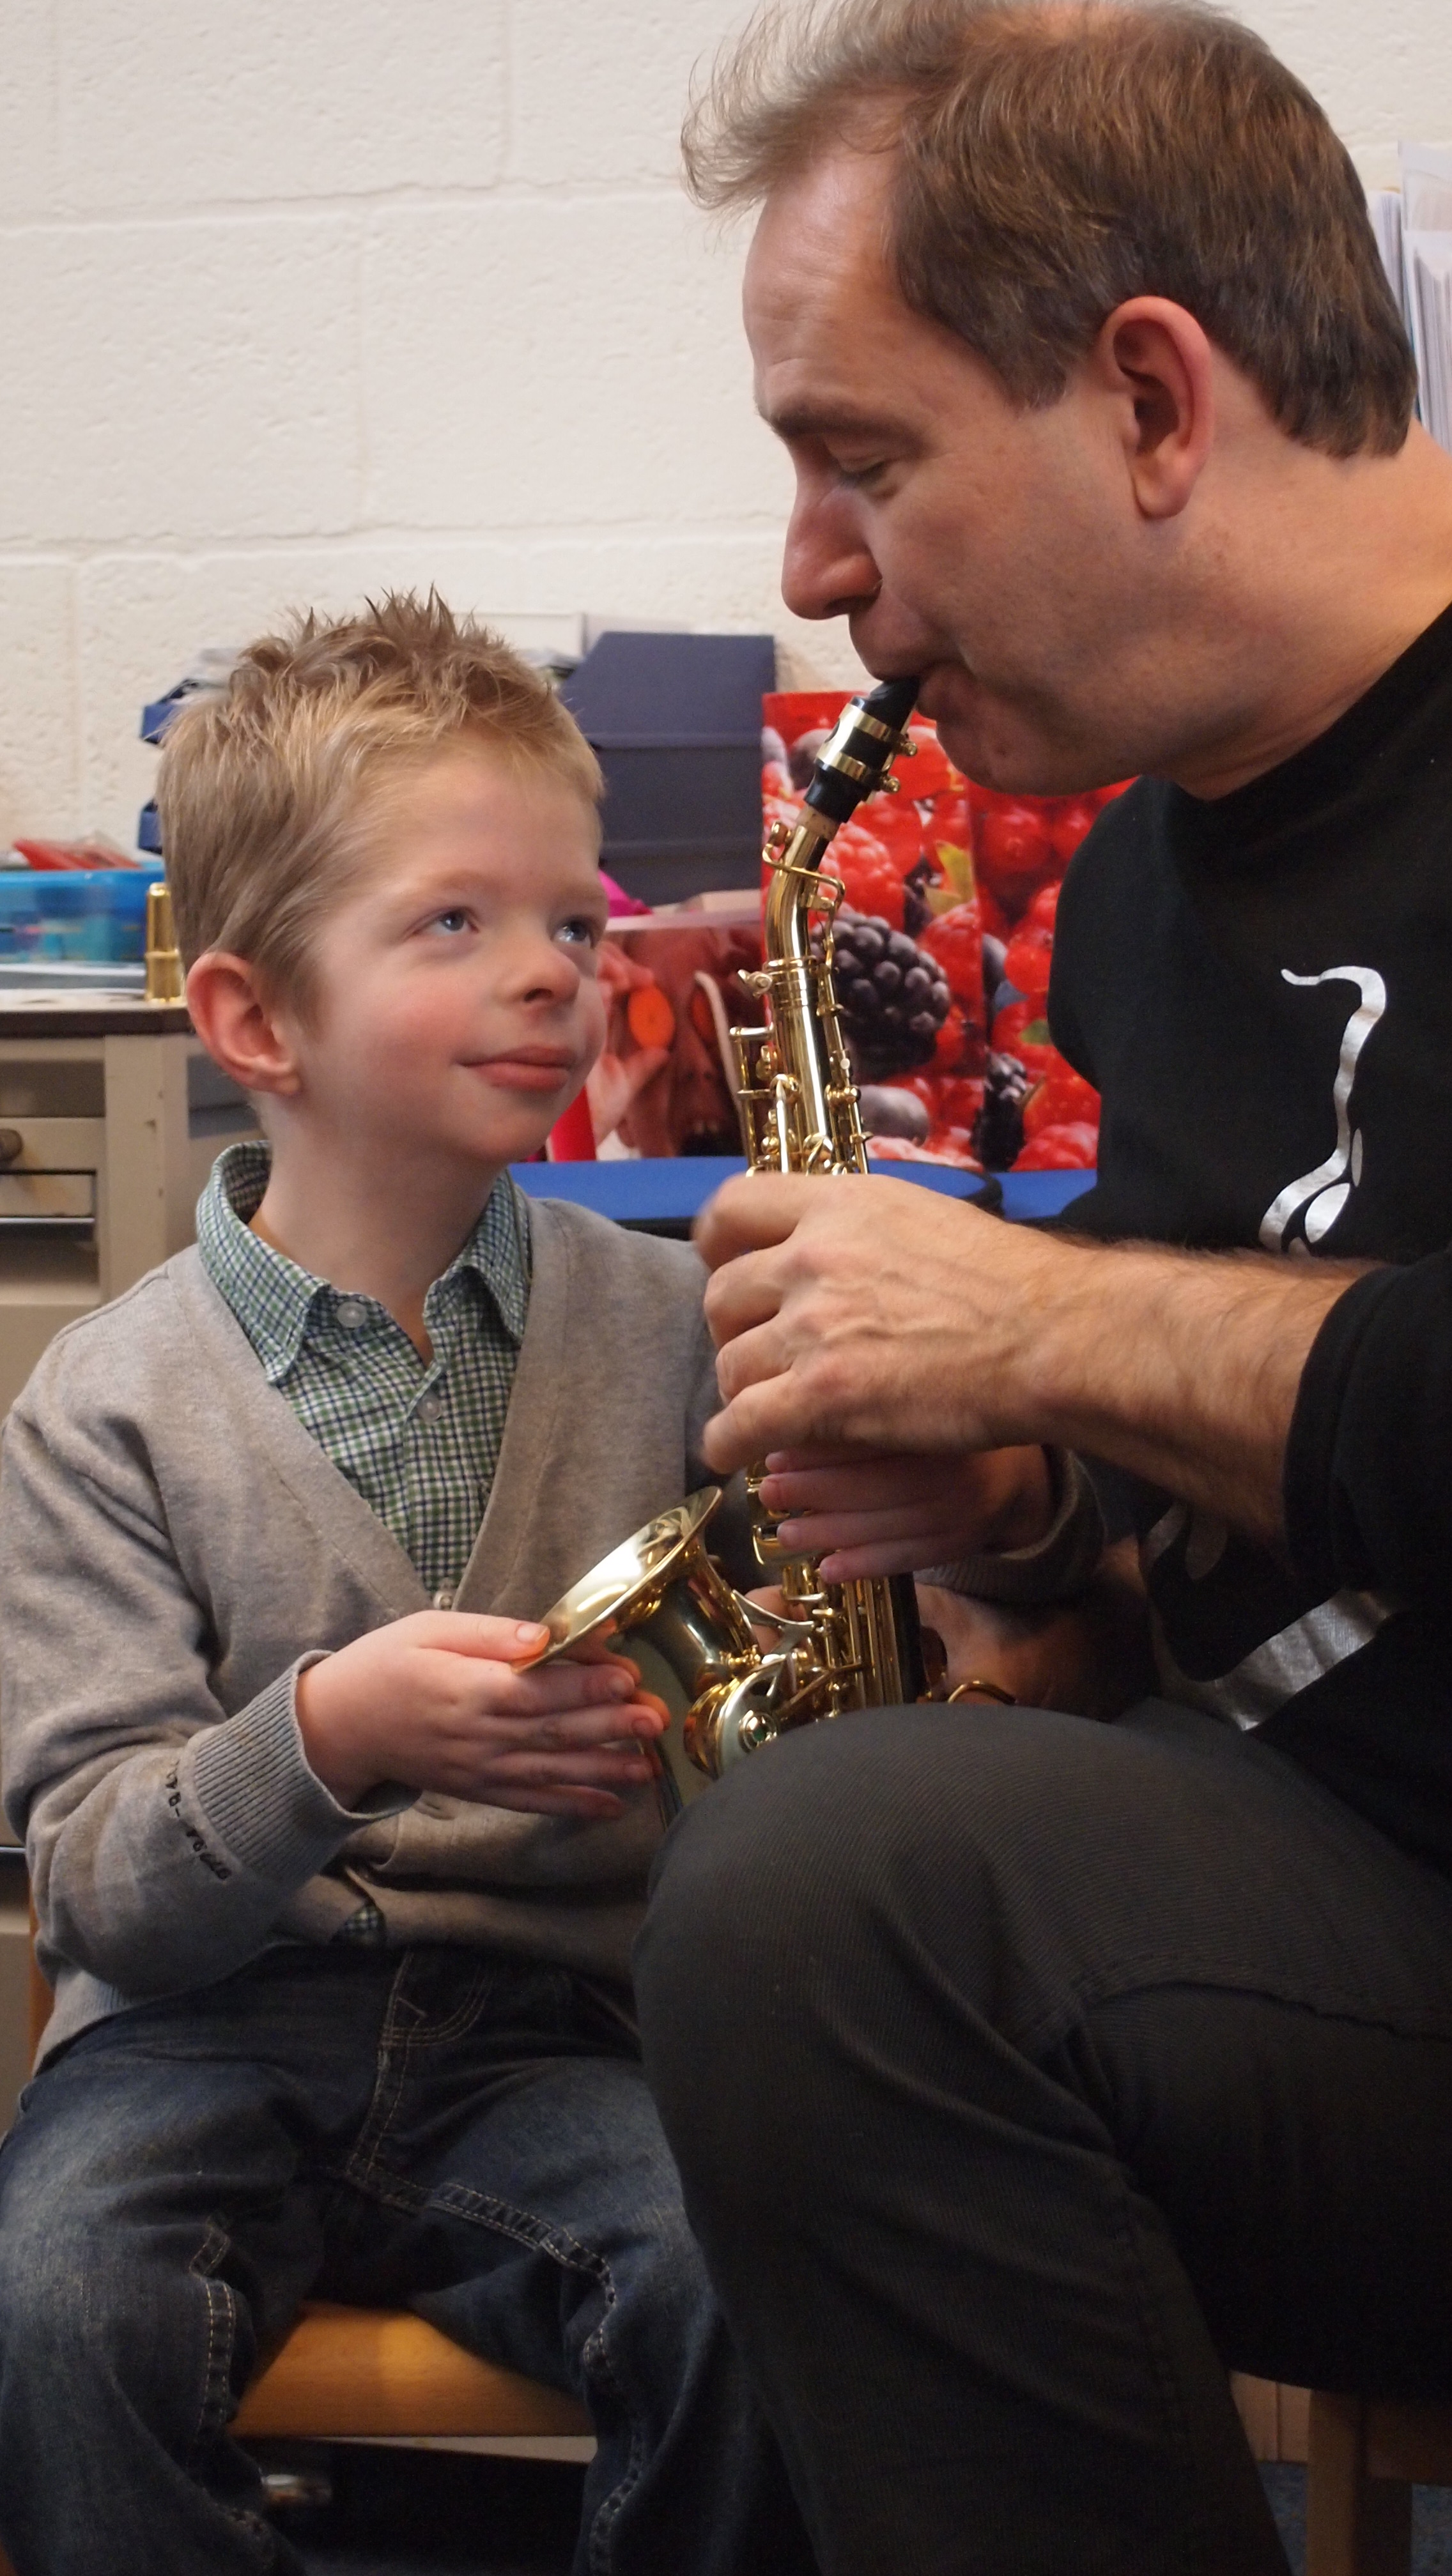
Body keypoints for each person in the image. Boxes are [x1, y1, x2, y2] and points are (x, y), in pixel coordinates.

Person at [629, 6, 1452, 2572]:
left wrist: (1045, 1326)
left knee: (842, 1902)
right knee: (796, 1912)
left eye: (860, 458)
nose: (806, 571)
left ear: (1147, 398)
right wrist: (1008, 1508)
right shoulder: (1132, 883)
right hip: (1333, 1901)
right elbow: (1233, 1506)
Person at [0, 596, 814, 2576]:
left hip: (557, 2035)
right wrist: (328, 1735)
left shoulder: (674, 1323)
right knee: (53, 2315)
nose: (551, 974)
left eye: (571, 920)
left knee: (756, 2292)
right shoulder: (99, 1407)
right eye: (454, 924)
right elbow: (97, 1879)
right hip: (193, 2030)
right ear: (257, 1023)